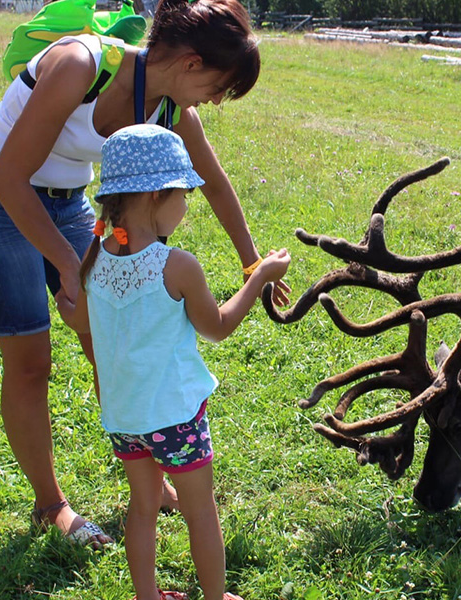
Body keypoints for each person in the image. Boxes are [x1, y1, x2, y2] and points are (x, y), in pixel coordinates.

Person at [0, 0, 289, 547]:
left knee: (109, 345)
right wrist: (71, 267)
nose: (215, 101)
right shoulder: (81, 66)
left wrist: (252, 262)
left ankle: (148, 483)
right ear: (191, 63)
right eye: (218, 87)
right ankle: (51, 505)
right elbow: (8, 178)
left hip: (67, 200)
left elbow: (214, 181)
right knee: (31, 360)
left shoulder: (171, 110)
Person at [56, 124, 289, 600]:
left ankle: (147, 596)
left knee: (142, 507)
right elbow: (217, 327)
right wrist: (260, 275)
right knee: (200, 510)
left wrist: (66, 308)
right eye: (184, 194)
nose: (186, 205)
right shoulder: (177, 266)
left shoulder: (95, 256)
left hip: (125, 419)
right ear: (156, 195)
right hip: (176, 419)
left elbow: (79, 319)